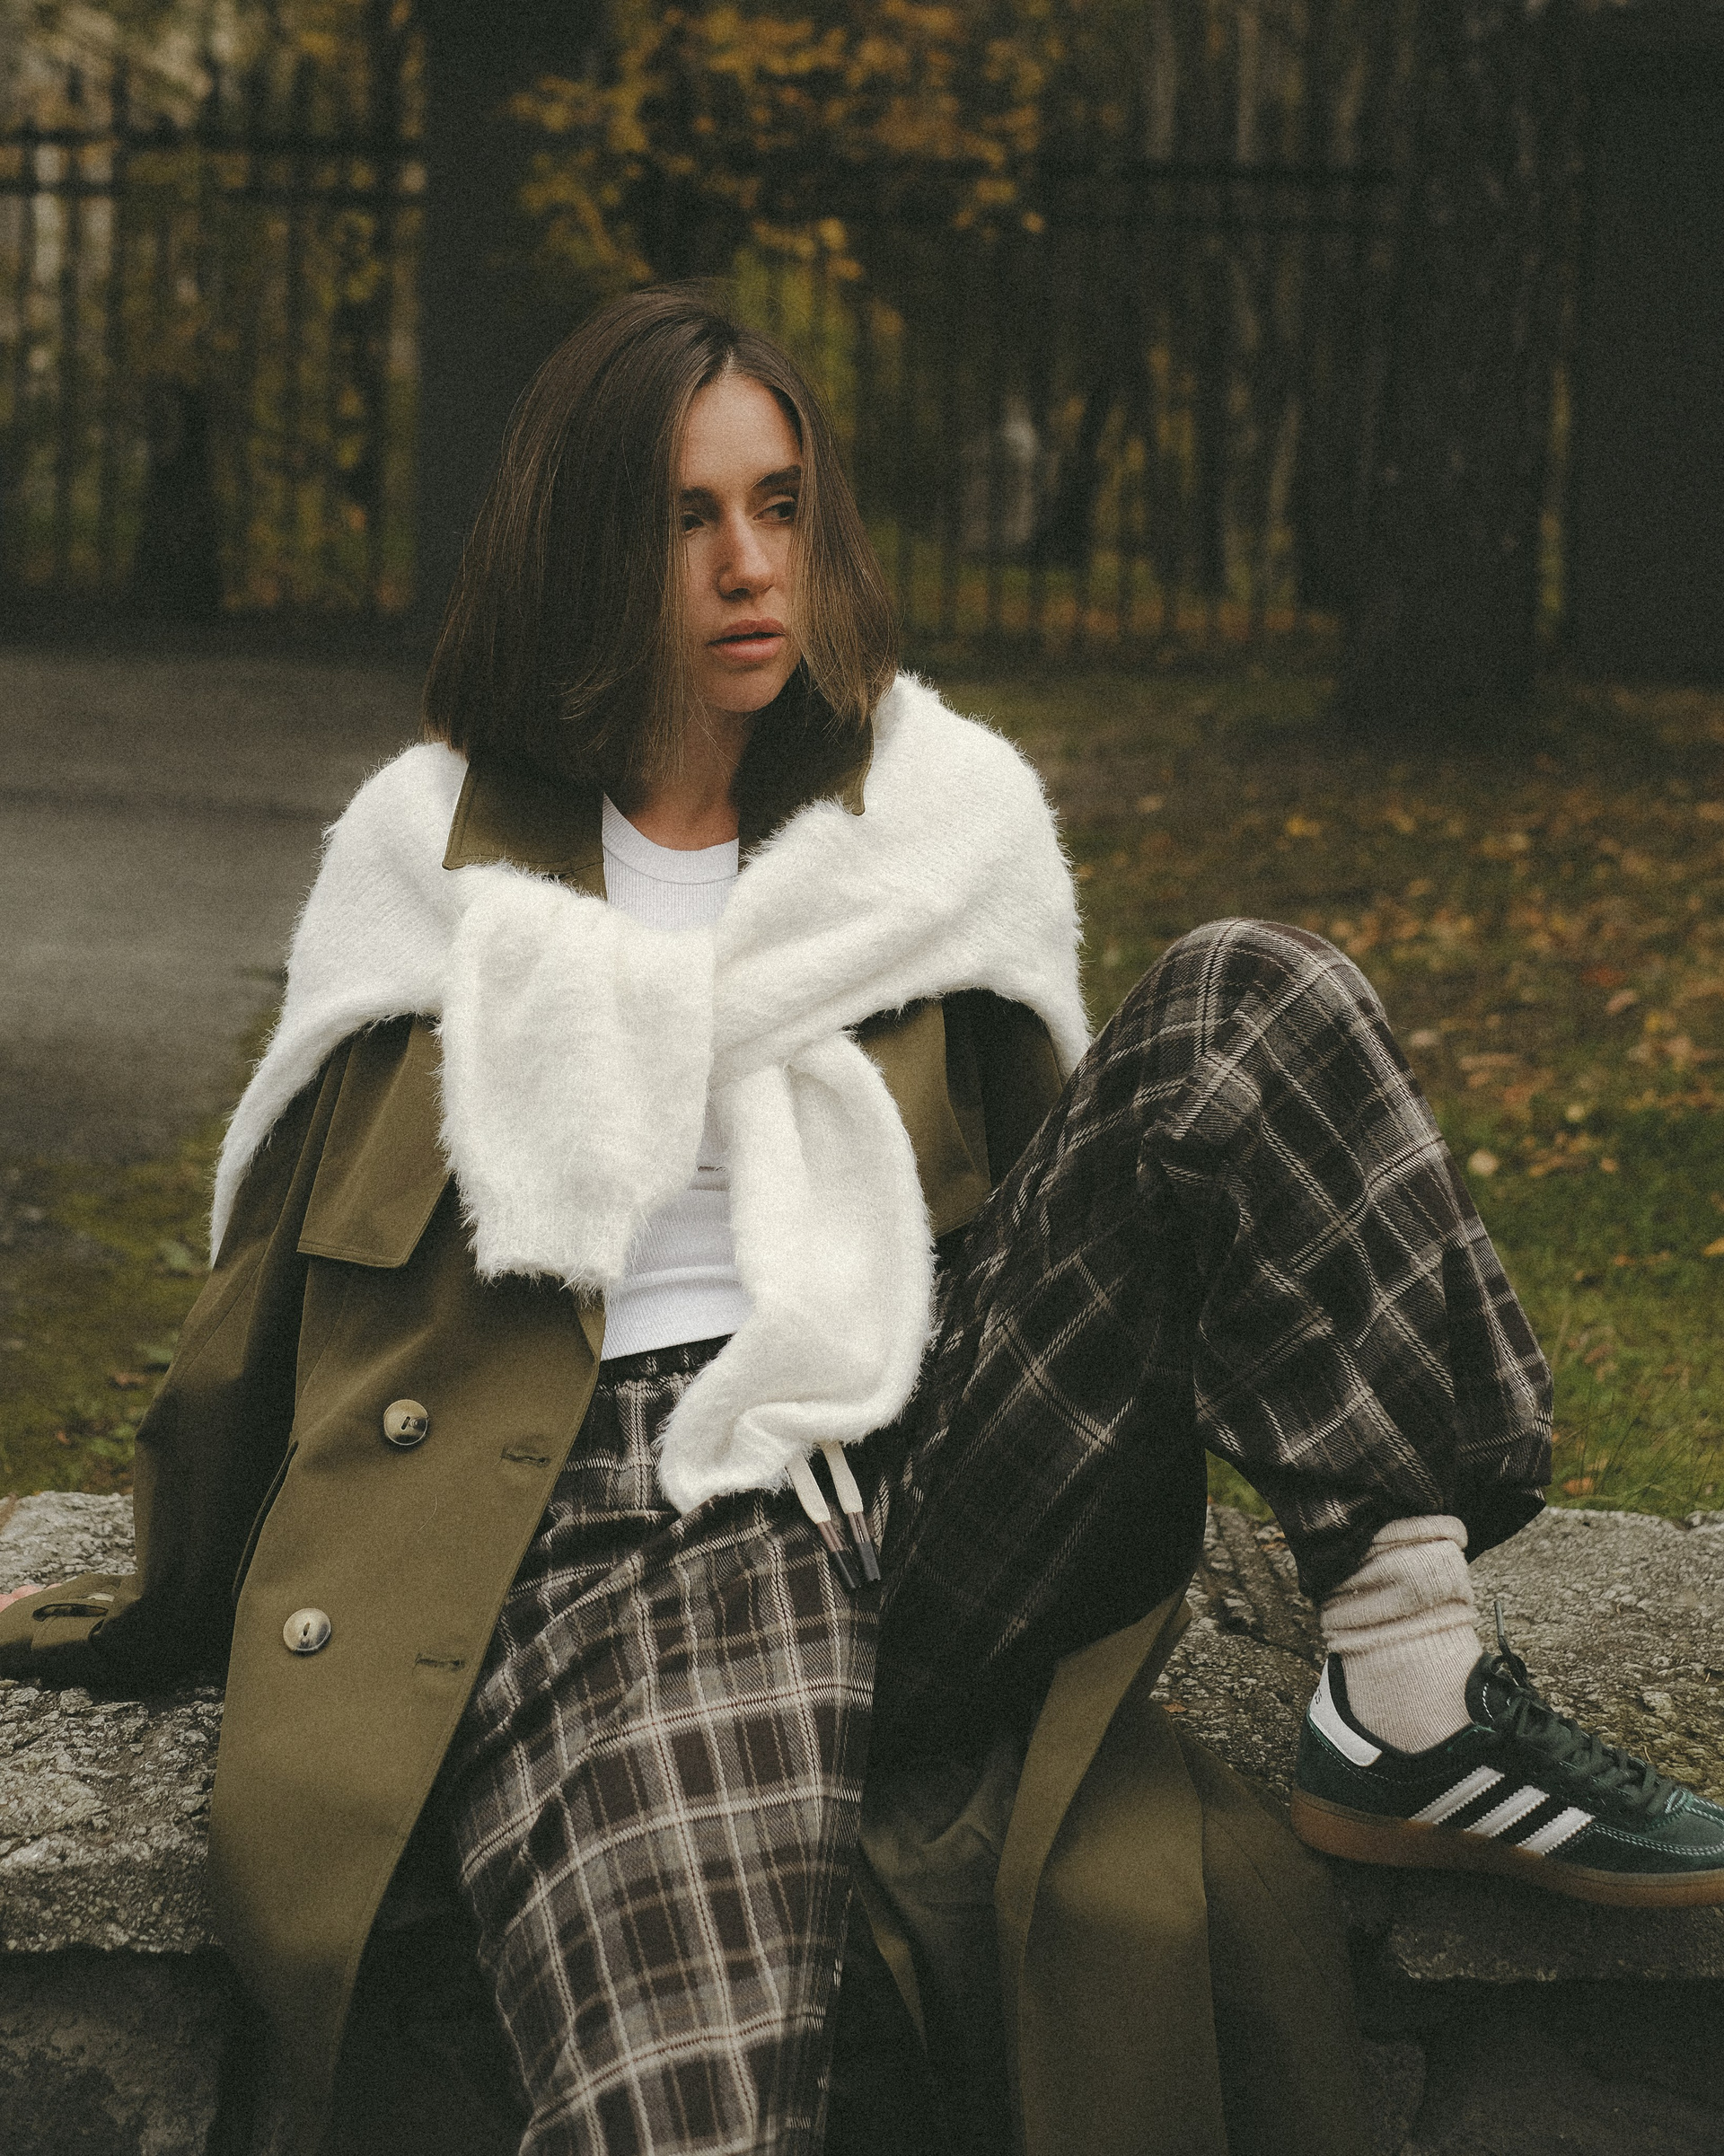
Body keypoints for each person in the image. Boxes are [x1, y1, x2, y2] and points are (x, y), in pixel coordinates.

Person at [4, 286, 1720, 2156]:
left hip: (922, 1465)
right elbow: (264, 1314)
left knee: (1248, 998)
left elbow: (1104, 1222)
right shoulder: (425, 863)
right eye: (686, 517)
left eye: (783, 505)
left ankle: (1413, 1686)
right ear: (580, 546)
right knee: (693, 2108)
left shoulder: (933, 827)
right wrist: (151, 1595)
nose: (753, 566)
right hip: (622, 1535)